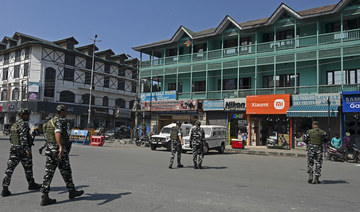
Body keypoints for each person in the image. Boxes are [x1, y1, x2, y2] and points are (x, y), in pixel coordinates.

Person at [40, 105, 84, 206]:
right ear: (62, 112)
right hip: (58, 152)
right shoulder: (60, 121)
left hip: (50, 150)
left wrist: (45, 146)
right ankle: (72, 191)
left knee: (48, 174)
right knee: (66, 171)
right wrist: (60, 146)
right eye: (66, 111)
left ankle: (45, 196)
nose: (67, 113)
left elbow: (46, 136)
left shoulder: (50, 121)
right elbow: (57, 133)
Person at [1, 108, 41, 197]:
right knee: (28, 168)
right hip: (22, 150)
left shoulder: (14, 124)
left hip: (14, 148)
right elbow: (23, 138)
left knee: (9, 169)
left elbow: (11, 138)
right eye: (27, 115)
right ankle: (31, 184)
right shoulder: (24, 124)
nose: (28, 116)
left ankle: (5, 188)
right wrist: (27, 149)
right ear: (23, 115)